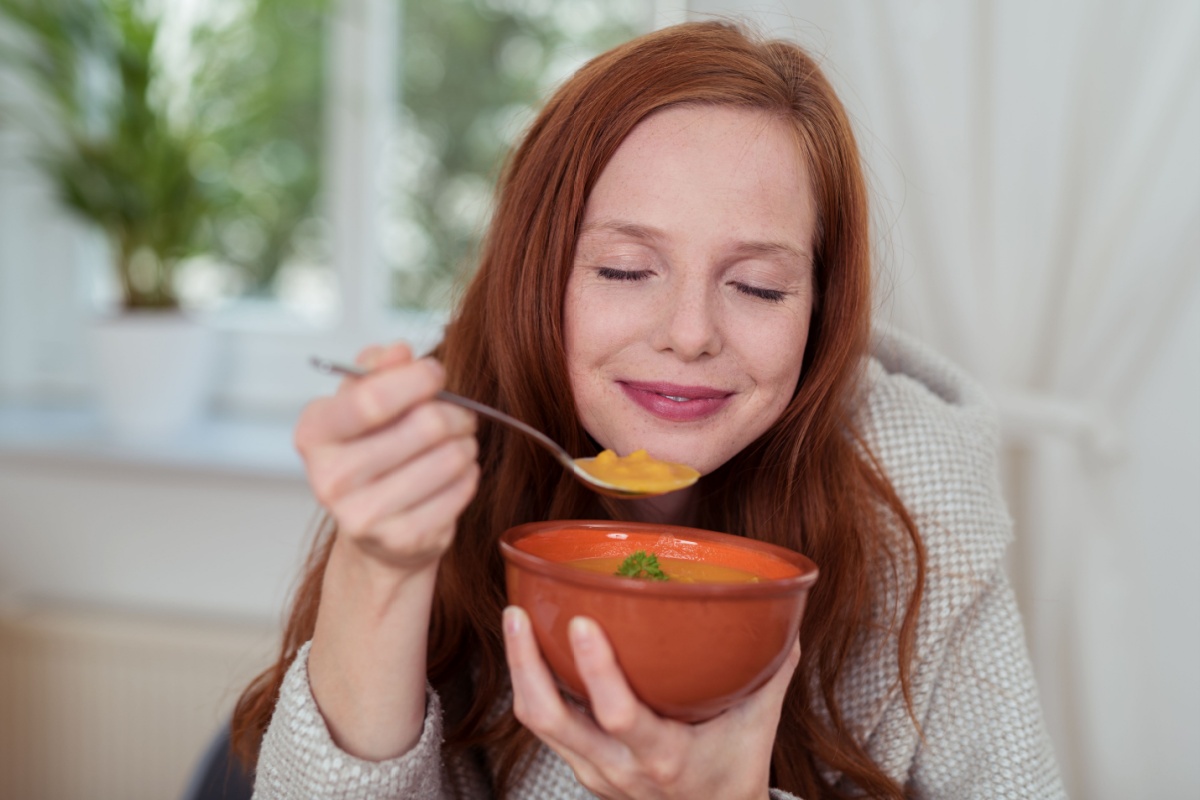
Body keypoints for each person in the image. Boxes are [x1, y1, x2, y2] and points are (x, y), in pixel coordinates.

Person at [232, 20, 1065, 800]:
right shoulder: (437, 458)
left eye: (757, 286)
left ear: (820, 306)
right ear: (539, 273)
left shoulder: (916, 498)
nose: (692, 334)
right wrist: (381, 566)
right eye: (627, 270)